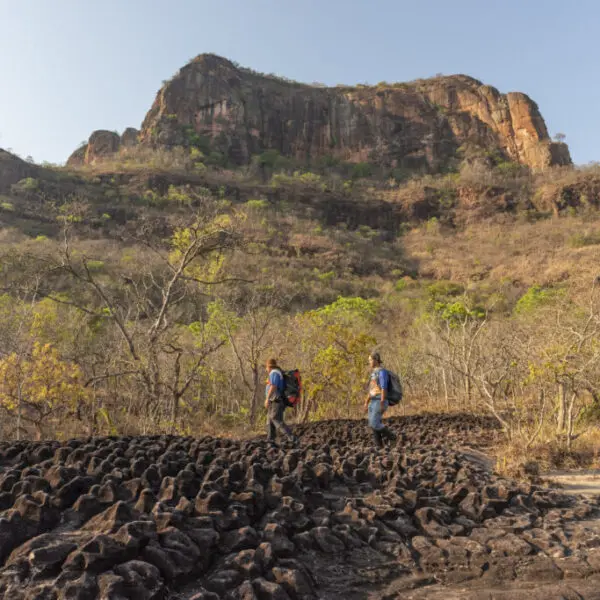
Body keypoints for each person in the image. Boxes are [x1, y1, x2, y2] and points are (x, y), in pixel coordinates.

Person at [364, 351, 397, 448]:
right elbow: (372, 389)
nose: (369, 362)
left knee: (374, 422)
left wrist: (382, 401)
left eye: (370, 360)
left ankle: (392, 437)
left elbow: (383, 387)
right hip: (372, 400)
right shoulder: (373, 374)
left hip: (379, 400)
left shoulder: (382, 372)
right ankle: (379, 447)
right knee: (373, 424)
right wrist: (366, 402)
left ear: (376, 360)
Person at [264, 358, 298, 447]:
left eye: (266, 367)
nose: (266, 369)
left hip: (276, 400)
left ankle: (292, 438)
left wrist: (267, 399)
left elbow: (273, 386)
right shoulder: (275, 372)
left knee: (276, 419)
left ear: (269, 367)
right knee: (270, 421)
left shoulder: (274, 372)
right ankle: (270, 442)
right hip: (274, 400)